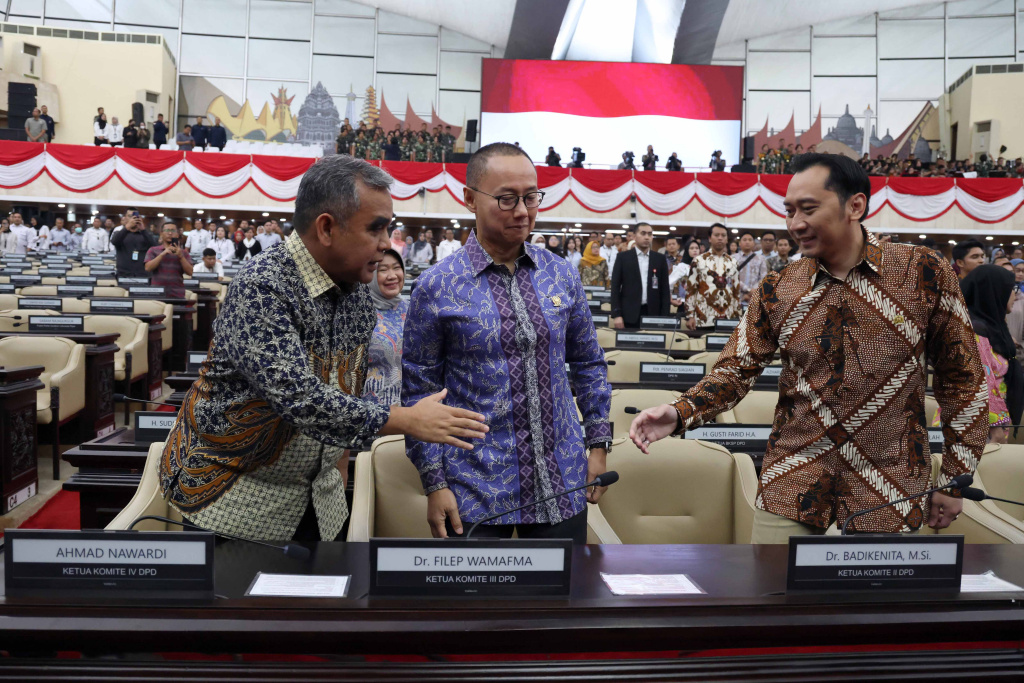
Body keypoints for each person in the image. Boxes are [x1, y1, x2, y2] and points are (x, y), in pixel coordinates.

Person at [630, 152, 987, 540]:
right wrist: (681, 411)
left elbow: (963, 379)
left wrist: (954, 478)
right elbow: (735, 370)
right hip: (793, 479)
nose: (795, 224)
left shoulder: (922, 273)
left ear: (855, 205)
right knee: (772, 593)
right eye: (788, 211)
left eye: (808, 209)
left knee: (880, 601)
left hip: (891, 485)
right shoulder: (778, 288)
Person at [160, 155, 487, 542]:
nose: (386, 245)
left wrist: (338, 470)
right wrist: (406, 420)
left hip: (320, 502)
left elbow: (345, 388)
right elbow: (301, 399)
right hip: (231, 502)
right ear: (327, 228)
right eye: (376, 229)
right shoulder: (263, 285)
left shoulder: (356, 294)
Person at [403, 142, 610, 545]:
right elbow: (419, 393)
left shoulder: (561, 274)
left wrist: (598, 445)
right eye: (506, 199)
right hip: (473, 487)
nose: (522, 211)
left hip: (561, 482)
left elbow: (588, 362)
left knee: (559, 604)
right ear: (469, 199)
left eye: (531, 197)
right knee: (476, 606)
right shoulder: (436, 286)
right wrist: (434, 482)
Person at [944, 265, 1023, 445]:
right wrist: (995, 426)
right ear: (993, 292)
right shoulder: (975, 329)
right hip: (978, 425)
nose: (1015, 295)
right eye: (1011, 289)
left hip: (991, 419)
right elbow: (980, 381)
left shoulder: (992, 325)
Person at [363, 249, 409, 409]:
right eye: (383, 270)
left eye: (396, 268)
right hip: (373, 413)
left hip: (412, 411)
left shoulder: (413, 308)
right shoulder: (360, 312)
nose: (392, 275)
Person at [610, 223, 671, 329]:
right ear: (634, 236)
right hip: (628, 314)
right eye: (643, 233)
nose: (647, 237)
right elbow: (615, 288)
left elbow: (665, 290)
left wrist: (665, 317)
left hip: (654, 314)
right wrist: (617, 315)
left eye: (650, 234)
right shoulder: (623, 258)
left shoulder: (659, 259)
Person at [685, 223, 741, 329]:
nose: (720, 238)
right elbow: (691, 289)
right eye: (716, 235)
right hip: (703, 317)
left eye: (723, 235)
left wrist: (738, 316)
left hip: (728, 318)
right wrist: (690, 316)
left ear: (727, 239)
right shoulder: (698, 260)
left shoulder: (733, 262)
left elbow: (736, 292)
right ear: (710, 238)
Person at [144, 223, 193, 297]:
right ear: (161, 233)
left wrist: (181, 256)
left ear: (177, 234)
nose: (170, 233)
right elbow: (148, 268)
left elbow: (190, 272)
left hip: (177, 292)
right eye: (167, 230)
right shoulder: (153, 250)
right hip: (157, 292)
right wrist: (162, 254)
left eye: (173, 231)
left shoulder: (183, 252)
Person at [111, 212, 158, 277]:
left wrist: (143, 230)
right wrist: (127, 228)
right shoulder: (119, 233)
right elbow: (114, 241)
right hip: (123, 273)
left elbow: (154, 246)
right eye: (131, 218)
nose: (134, 221)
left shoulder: (145, 234)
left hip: (143, 273)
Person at [733, 231, 768, 304]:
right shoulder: (733, 258)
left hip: (754, 298)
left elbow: (763, 278)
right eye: (744, 240)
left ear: (754, 243)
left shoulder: (761, 258)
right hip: (736, 297)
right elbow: (732, 277)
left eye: (750, 240)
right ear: (740, 243)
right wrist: (748, 290)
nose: (747, 242)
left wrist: (753, 291)